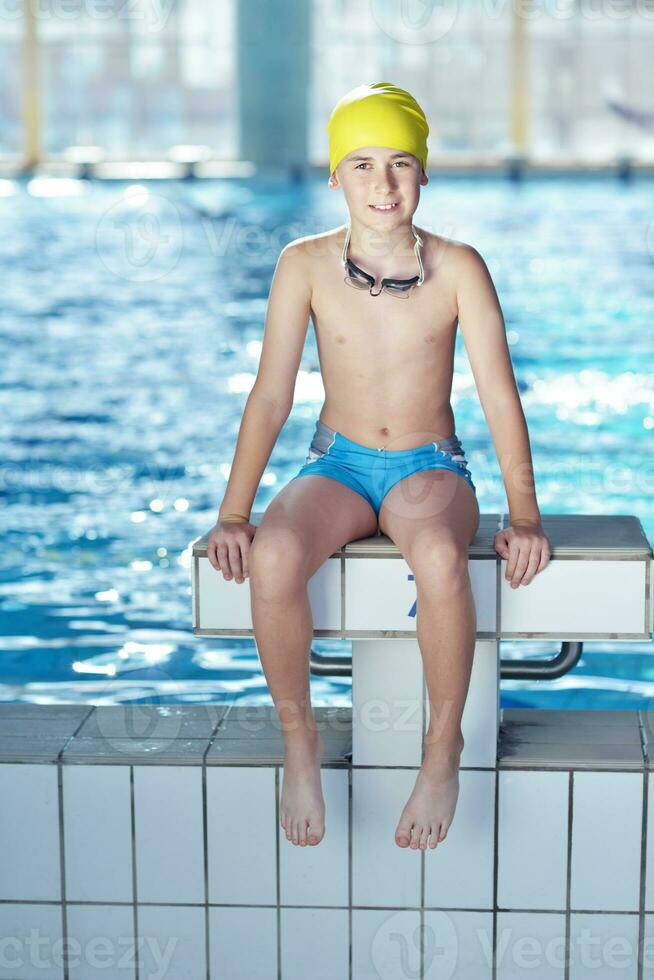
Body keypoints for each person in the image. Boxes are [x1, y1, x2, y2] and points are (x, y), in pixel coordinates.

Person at [207, 81, 551, 851]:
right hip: (339, 462)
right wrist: (235, 512)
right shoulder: (304, 266)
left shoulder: (460, 268)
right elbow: (270, 398)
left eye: (400, 162)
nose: (383, 184)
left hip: (429, 466)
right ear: (335, 176)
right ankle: (299, 741)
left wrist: (524, 515)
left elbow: (500, 398)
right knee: (273, 559)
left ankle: (441, 749)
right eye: (361, 164)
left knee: (436, 554)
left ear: (424, 172)